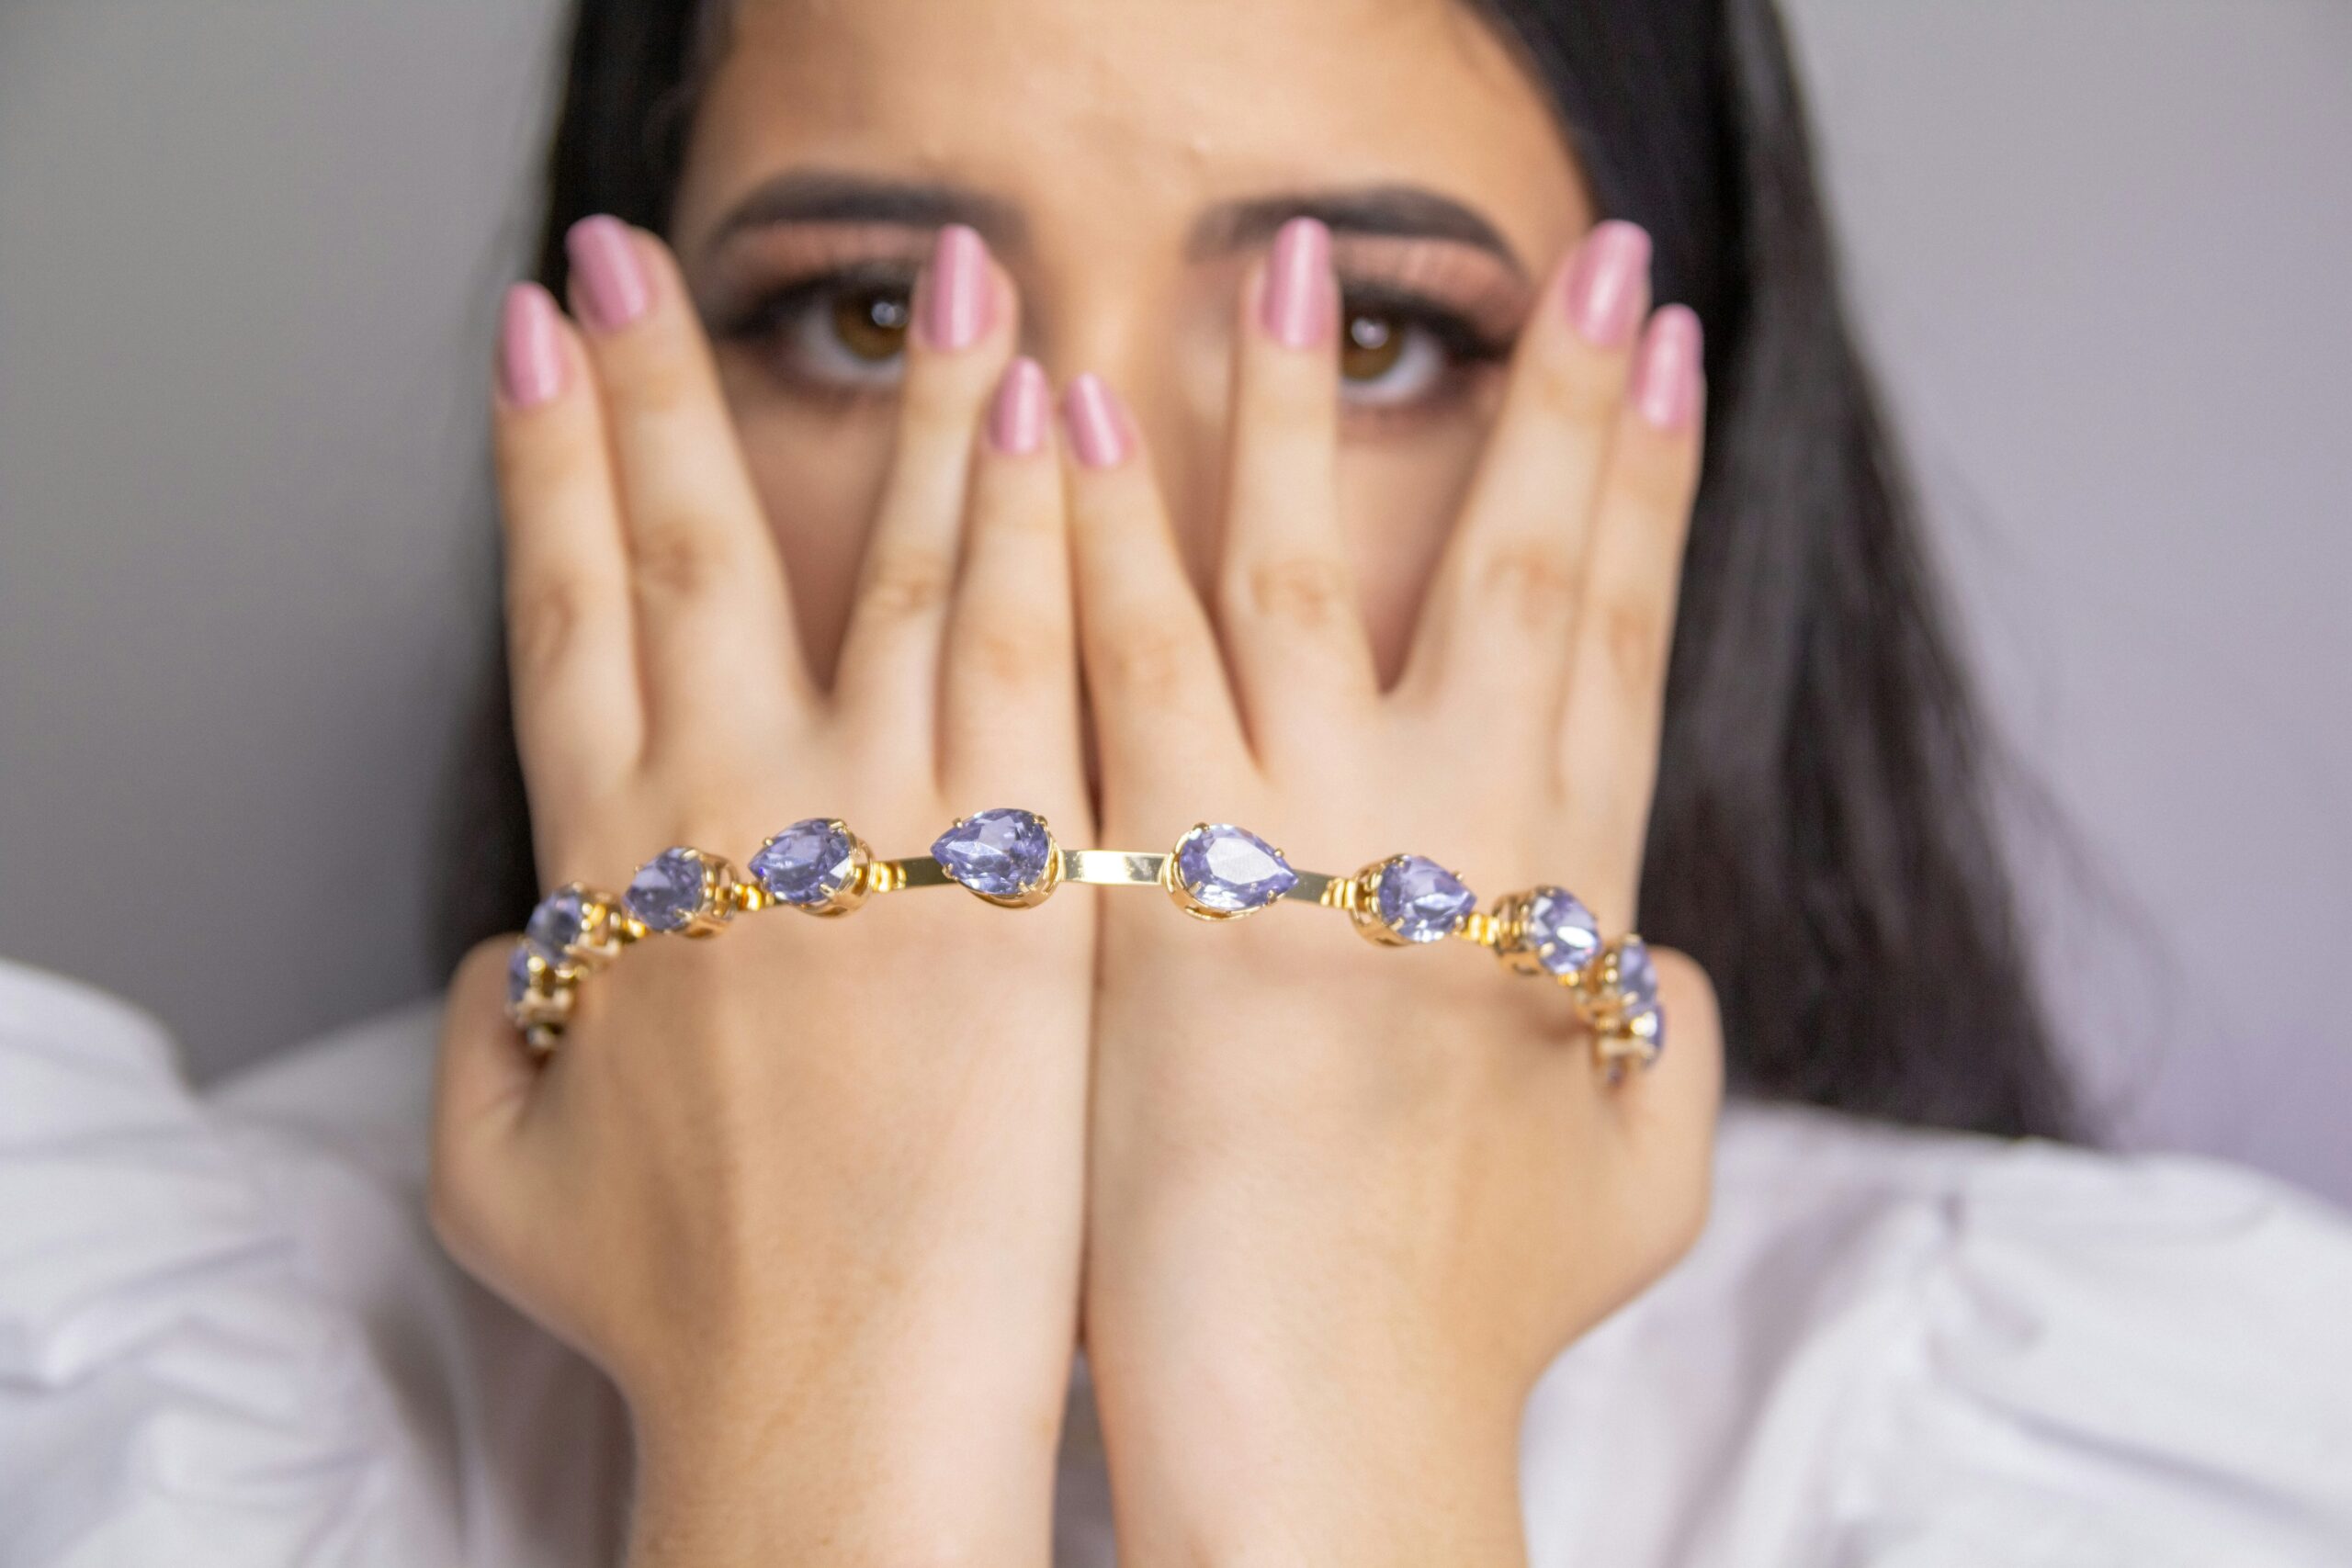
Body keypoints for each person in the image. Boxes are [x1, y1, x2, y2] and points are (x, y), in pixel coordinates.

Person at [3, 0, 2347, 1562]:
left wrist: (1334, 1437)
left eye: (1368, 333)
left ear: (1672, 484)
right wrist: (826, 1431)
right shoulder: (145, 1387)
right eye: (875, 314)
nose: (1084, 522)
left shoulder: (2064, 1449)